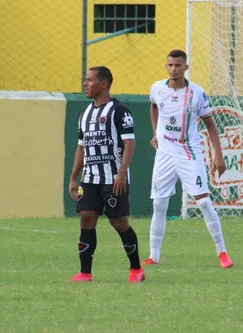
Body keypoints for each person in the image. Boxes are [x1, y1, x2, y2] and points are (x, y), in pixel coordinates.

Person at [142, 49, 233, 268]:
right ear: (166, 66)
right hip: (164, 154)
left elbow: (210, 123)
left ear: (186, 68)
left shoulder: (197, 93)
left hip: (189, 153)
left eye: (178, 65)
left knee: (202, 201)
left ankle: (222, 252)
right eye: (170, 65)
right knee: (160, 204)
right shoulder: (157, 88)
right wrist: (156, 133)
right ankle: (154, 255)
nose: (173, 69)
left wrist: (218, 155)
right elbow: (153, 107)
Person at [68, 66, 145, 282]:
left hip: (113, 178)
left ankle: (136, 269)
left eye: (89, 80)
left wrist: (121, 173)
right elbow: (81, 148)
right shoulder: (84, 114)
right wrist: (74, 177)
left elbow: (130, 144)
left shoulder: (119, 111)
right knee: (86, 219)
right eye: (85, 80)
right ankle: (85, 273)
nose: (85, 84)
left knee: (118, 222)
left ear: (104, 84)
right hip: (90, 178)